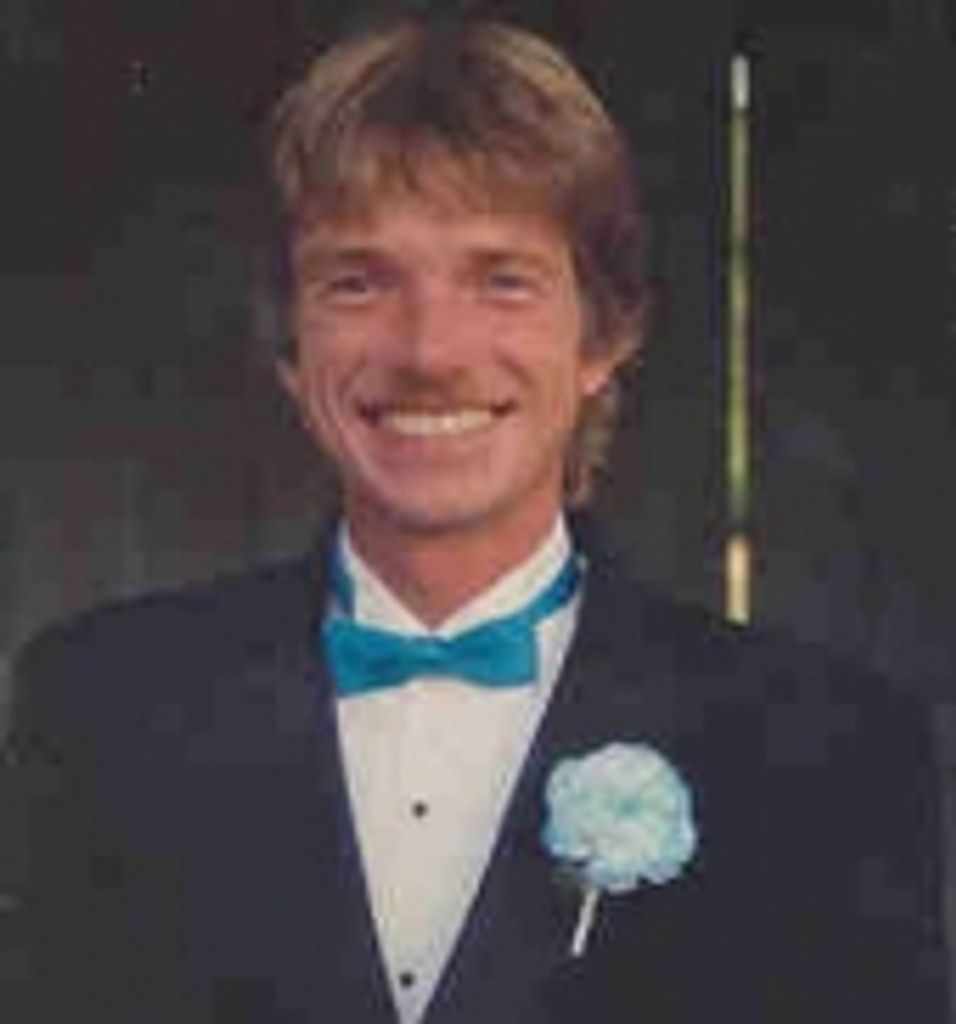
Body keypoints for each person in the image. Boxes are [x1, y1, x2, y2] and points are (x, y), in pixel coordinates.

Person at [2, 14, 948, 1023]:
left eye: (501, 280)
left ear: (603, 337)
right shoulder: (97, 707)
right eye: (358, 282)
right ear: (289, 348)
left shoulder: (828, 748)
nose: (429, 351)